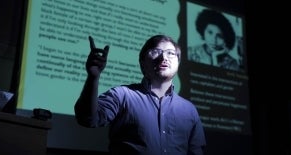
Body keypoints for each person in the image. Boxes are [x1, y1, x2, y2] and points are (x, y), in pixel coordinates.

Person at [74, 35, 206, 155]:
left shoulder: (189, 110)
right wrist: (93, 77)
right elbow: (88, 118)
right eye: (156, 51)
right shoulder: (122, 95)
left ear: (178, 64)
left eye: (170, 53)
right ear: (142, 62)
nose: (163, 57)